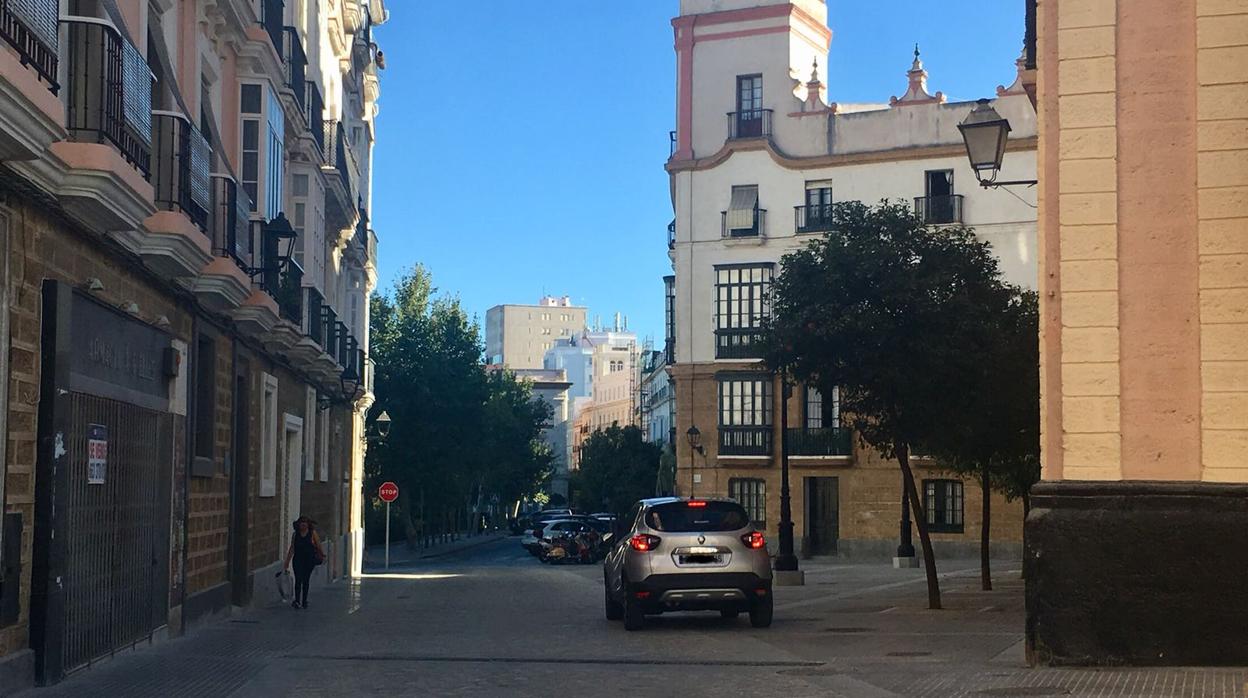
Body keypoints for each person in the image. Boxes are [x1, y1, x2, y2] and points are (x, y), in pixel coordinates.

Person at [283, 516, 324, 609]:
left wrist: (322, 555)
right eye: (301, 522)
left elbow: (318, 545)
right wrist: (287, 561)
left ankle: (304, 600)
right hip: (298, 560)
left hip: (309, 560)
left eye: (305, 522)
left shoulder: (312, 534)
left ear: (308, 524)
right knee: (298, 580)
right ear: (298, 524)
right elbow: (292, 548)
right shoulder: (295, 535)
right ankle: (297, 600)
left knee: (306, 580)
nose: (303, 524)